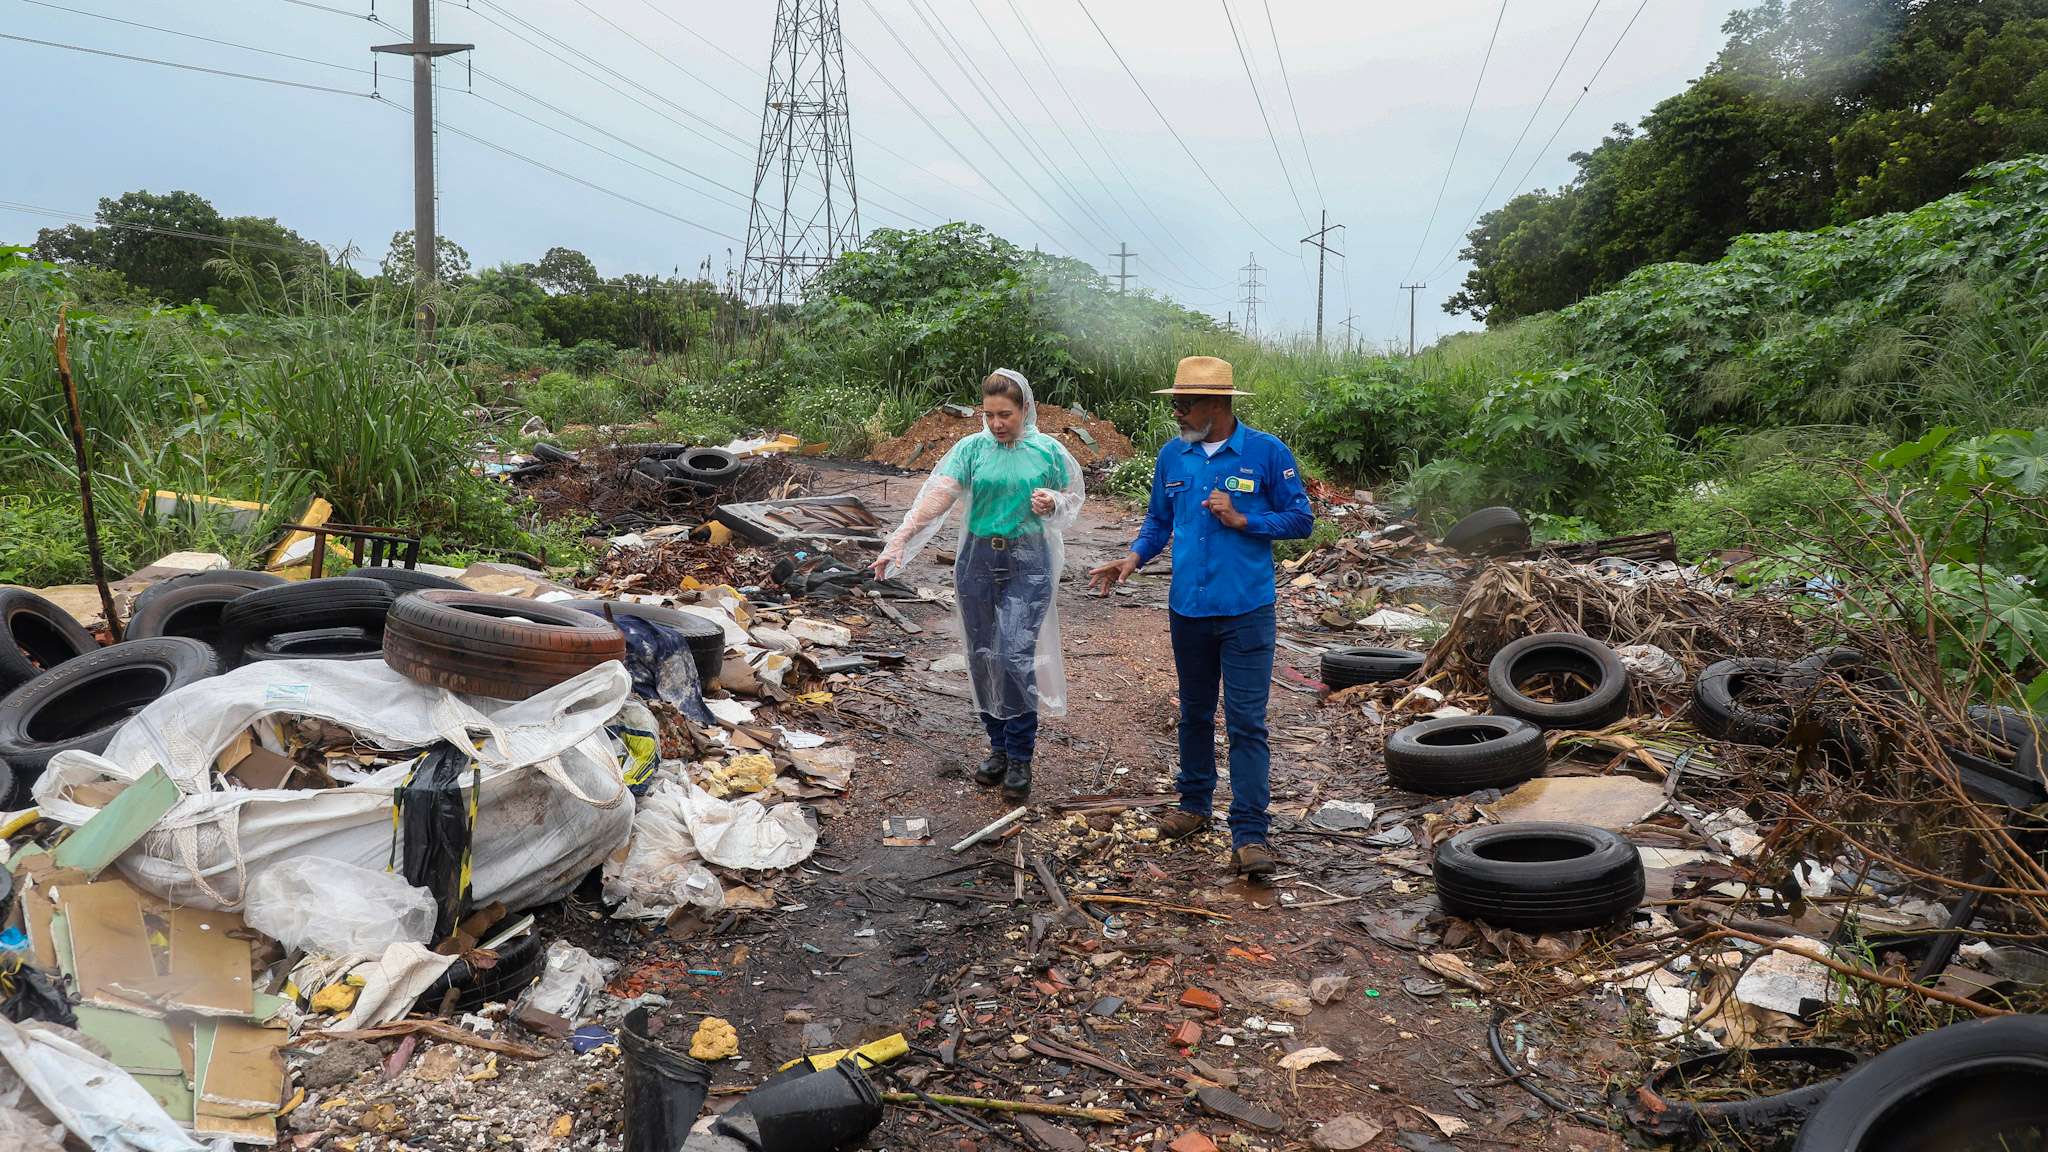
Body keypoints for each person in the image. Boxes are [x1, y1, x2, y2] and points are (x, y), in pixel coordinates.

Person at [1087, 355, 1312, 879]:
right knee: (1192, 712)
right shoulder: (1173, 457)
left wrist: (1244, 519)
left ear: (1219, 404)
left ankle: (1250, 833)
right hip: (1187, 608)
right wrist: (1133, 557)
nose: (1178, 413)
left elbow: (1301, 519)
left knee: (1246, 722)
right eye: (1177, 403)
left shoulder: (1265, 453)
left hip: (1246, 611)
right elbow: (1158, 521)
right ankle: (1193, 807)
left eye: (1186, 404)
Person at [874, 369, 1085, 801]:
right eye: (988, 415)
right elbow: (938, 497)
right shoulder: (971, 450)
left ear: (1025, 409)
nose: (996, 423)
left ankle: (1021, 755)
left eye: (1004, 414)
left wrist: (1053, 501)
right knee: (983, 652)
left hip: (1029, 561)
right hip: (978, 560)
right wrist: (900, 539)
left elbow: (1073, 498)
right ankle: (998, 747)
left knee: (1014, 652)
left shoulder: (1048, 451)